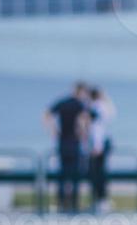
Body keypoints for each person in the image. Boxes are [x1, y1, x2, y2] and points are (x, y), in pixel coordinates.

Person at [43, 82, 93, 213]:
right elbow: (84, 121)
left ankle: (61, 203)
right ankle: (74, 204)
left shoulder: (63, 102)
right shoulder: (80, 105)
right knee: (75, 174)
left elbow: (47, 114)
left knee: (63, 174)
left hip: (62, 142)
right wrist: (84, 134)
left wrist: (53, 130)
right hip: (74, 142)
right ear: (80, 91)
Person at [87, 85, 116, 214]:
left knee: (97, 173)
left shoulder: (96, 107)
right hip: (101, 143)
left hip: (98, 144)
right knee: (99, 173)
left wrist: (97, 146)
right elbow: (112, 113)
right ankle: (101, 200)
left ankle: (100, 200)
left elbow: (96, 128)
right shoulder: (102, 106)